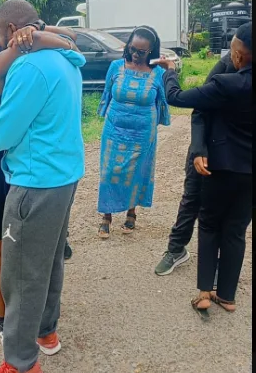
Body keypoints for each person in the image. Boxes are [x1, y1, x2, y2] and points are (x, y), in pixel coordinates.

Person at [0, 0, 85, 373]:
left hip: (35, 183)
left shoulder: (29, 67)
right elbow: (72, 48)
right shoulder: (65, 60)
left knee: (20, 274)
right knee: (50, 260)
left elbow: (2, 135)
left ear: (8, 31)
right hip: (64, 176)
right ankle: (45, 332)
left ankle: (21, 366)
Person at [156, 22, 252, 316]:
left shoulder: (227, 83)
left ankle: (204, 294)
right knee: (235, 231)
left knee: (209, 225)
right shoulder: (228, 76)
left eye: (234, 49)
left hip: (220, 167)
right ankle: (228, 296)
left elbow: (178, 98)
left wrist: (170, 71)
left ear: (239, 56)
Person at [154, 51, 237, 276]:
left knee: (227, 208)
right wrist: (199, 148)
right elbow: (199, 108)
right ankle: (176, 249)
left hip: (237, 155)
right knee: (191, 198)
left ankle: (222, 259)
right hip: (206, 149)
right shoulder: (227, 65)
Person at [97, 26, 170, 239]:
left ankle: (131, 212)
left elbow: (163, 101)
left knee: (137, 172)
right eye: (133, 49)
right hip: (114, 129)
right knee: (109, 171)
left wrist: (170, 70)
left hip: (142, 133)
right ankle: (106, 215)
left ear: (151, 51)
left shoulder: (158, 73)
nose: (136, 55)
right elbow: (108, 94)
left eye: (142, 52)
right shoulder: (116, 66)